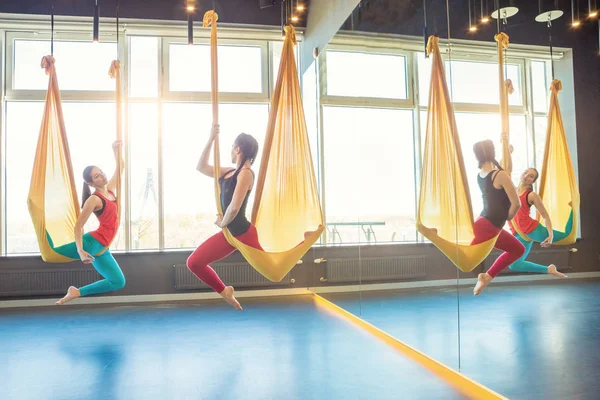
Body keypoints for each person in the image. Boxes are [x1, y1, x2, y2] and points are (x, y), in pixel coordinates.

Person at [186, 124, 263, 310]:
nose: (230, 150)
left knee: (274, 270)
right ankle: (224, 291)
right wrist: (211, 138)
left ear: (238, 149)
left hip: (244, 233)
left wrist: (222, 223)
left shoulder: (246, 174)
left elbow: (234, 208)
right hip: (230, 235)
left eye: (232, 147)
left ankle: (304, 242)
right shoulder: (227, 172)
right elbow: (201, 167)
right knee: (194, 263)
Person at [55, 140, 126, 305]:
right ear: (91, 183)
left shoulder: (110, 190)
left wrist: (115, 150)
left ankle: (76, 292)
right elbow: (78, 225)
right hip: (92, 243)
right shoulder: (94, 199)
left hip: (103, 247)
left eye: (100, 172)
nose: (101, 175)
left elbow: (120, 168)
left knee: (118, 281)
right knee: (53, 251)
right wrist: (80, 250)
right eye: (96, 176)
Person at [471, 139, 525, 295]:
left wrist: (508, 152)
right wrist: (508, 217)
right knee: (466, 258)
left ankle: (486, 276)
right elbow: (516, 204)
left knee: (517, 249)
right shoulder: (500, 175)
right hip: (490, 225)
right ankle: (486, 276)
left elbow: (499, 170)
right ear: (492, 152)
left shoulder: (481, 175)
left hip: (484, 223)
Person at [507, 167, 571, 278]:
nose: (527, 176)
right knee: (514, 265)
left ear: (533, 181)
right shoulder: (511, 190)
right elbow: (505, 168)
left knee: (567, 236)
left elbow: (545, 216)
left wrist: (550, 235)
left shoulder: (531, 195)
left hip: (532, 230)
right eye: (526, 172)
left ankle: (573, 209)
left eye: (531, 176)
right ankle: (549, 269)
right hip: (519, 234)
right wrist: (508, 152)